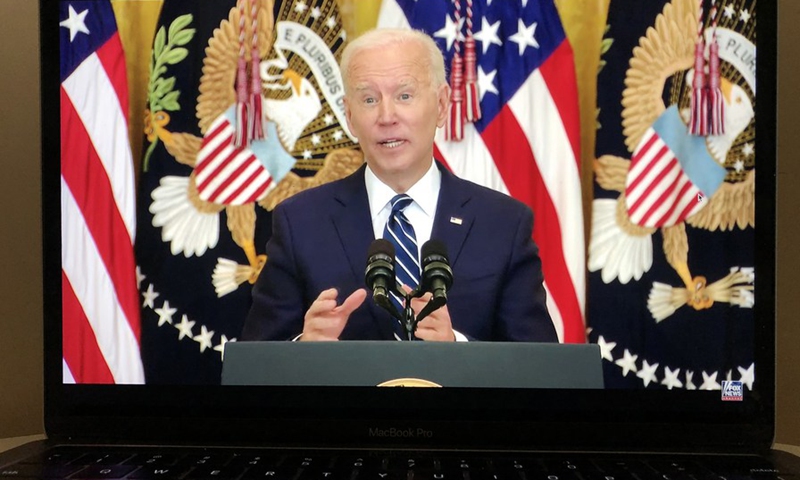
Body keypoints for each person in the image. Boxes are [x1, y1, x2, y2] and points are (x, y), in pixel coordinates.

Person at [241, 28, 556, 343]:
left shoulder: (503, 224)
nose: (386, 116)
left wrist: (459, 351)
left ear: (443, 104)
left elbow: (540, 370)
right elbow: (253, 365)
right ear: (349, 115)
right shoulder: (300, 222)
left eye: (404, 95)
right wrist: (302, 351)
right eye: (368, 99)